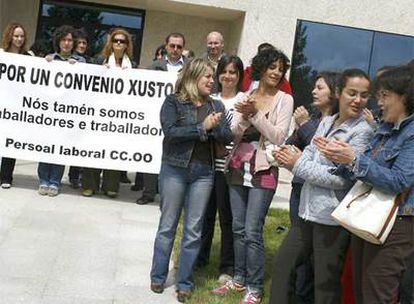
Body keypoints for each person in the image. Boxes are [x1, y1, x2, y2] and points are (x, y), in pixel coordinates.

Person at [269, 69, 374, 303]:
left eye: (364, 95)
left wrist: (298, 165)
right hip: (306, 213)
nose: (358, 100)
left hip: (332, 220)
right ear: (339, 93)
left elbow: (342, 179)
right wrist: (296, 160)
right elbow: (308, 154)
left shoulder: (362, 132)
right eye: (352, 93)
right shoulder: (326, 121)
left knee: (325, 286)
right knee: (283, 267)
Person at [317, 65, 414, 304]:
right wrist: (340, 159)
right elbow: (366, 170)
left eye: (384, 95)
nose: (378, 102)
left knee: (377, 295)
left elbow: (400, 181)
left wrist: (354, 159)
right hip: (369, 217)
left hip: (397, 223)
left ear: (403, 97)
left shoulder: (411, 133)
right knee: (360, 290)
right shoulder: (385, 128)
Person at [211, 48, 294, 304]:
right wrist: (245, 117)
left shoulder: (284, 99)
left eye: (281, 69)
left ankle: (255, 288)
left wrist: (255, 114)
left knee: (252, 229)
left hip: (264, 169)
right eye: (272, 67)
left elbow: (279, 137)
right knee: (237, 228)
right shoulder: (247, 95)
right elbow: (234, 131)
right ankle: (239, 278)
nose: (277, 72)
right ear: (261, 68)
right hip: (237, 165)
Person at [149, 58, 233, 303]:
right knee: (168, 225)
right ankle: (158, 275)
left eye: (212, 76)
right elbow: (171, 132)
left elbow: (226, 136)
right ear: (193, 77)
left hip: (204, 173)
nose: (212, 80)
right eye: (207, 76)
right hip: (174, 169)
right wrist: (201, 127)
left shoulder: (216, 105)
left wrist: (214, 127)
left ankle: (184, 282)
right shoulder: (174, 101)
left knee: (194, 230)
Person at [284, 71, 341, 303]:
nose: (313, 91)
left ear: (334, 92)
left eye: (320, 87)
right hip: (300, 190)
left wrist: (305, 126)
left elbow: (325, 154)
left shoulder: (337, 123)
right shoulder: (313, 119)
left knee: (314, 256)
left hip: (324, 200)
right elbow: (290, 147)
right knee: (298, 252)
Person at [196, 55, 245, 282]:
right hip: (207, 165)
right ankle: (201, 258)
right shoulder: (210, 99)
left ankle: (227, 266)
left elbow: (241, 133)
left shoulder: (244, 100)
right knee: (205, 215)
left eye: (233, 72)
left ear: (239, 76)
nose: (228, 76)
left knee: (227, 218)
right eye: (224, 71)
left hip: (229, 168)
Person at [136, 32, 188, 205]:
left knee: (174, 158)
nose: (175, 49)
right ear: (166, 46)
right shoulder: (154, 66)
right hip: (155, 117)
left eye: (179, 46)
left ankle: (170, 195)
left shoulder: (190, 68)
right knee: (152, 154)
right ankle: (148, 192)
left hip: (180, 119)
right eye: (172, 45)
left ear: (183, 48)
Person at [81, 28, 134, 198]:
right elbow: (86, 82)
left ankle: (111, 186)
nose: (119, 43)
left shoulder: (132, 65)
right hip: (98, 113)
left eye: (122, 41)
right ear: (110, 43)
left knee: (114, 149)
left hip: (120, 116)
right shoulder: (98, 60)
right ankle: (90, 185)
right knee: (94, 148)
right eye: (116, 40)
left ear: (127, 45)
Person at [37, 25, 85, 197]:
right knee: (45, 146)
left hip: (68, 113)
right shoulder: (50, 59)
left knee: (60, 147)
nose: (66, 43)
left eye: (70, 40)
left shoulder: (82, 62)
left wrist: (77, 67)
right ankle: (43, 180)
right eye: (63, 40)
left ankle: (55, 181)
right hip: (49, 112)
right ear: (58, 42)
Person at [0, 22, 29, 189]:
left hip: (17, 107)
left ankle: (6, 177)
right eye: (16, 35)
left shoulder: (28, 57)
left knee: (10, 142)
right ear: (10, 36)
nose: (19, 39)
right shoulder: (1, 55)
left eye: (22, 36)